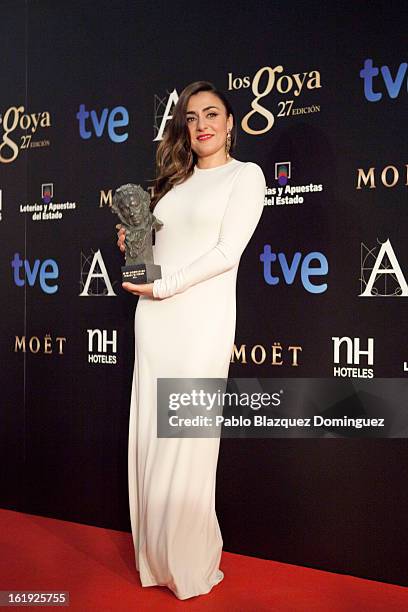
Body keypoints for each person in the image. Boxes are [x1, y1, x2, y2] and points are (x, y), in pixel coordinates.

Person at [117, 80, 266, 600]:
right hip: (154, 320)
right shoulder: (171, 185)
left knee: (189, 445)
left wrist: (166, 286)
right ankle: (157, 559)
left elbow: (227, 252)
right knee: (154, 440)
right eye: (191, 116)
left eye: (212, 113)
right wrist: (136, 241)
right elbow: (163, 249)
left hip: (199, 321)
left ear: (230, 123)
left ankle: (188, 562)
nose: (201, 123)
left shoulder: (245, 177)